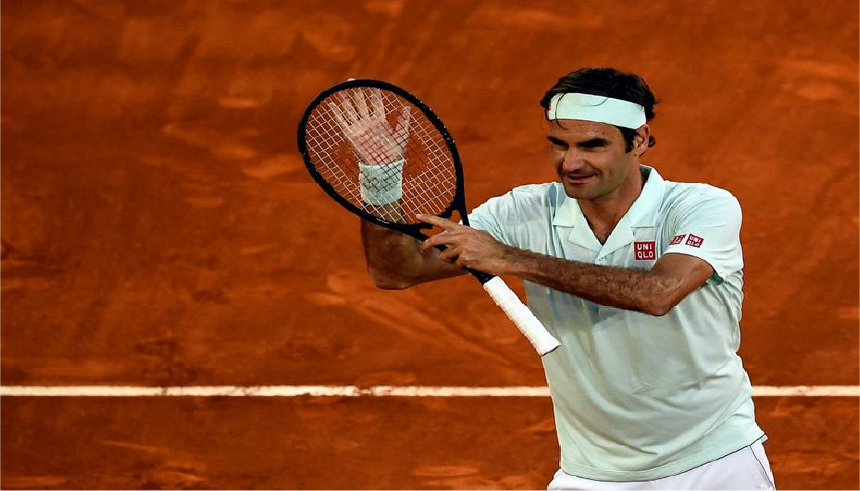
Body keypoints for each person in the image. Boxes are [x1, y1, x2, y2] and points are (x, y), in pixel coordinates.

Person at [354, 68, 776, 490]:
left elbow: (658, 293)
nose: (571, 163)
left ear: (640, 141)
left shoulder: (701, 207)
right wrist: (381, 177)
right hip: (591, 473)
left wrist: (508, 257)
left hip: (715, 463)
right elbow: (397, 271)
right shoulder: (523, 212)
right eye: (559, 144)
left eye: (593, 145)